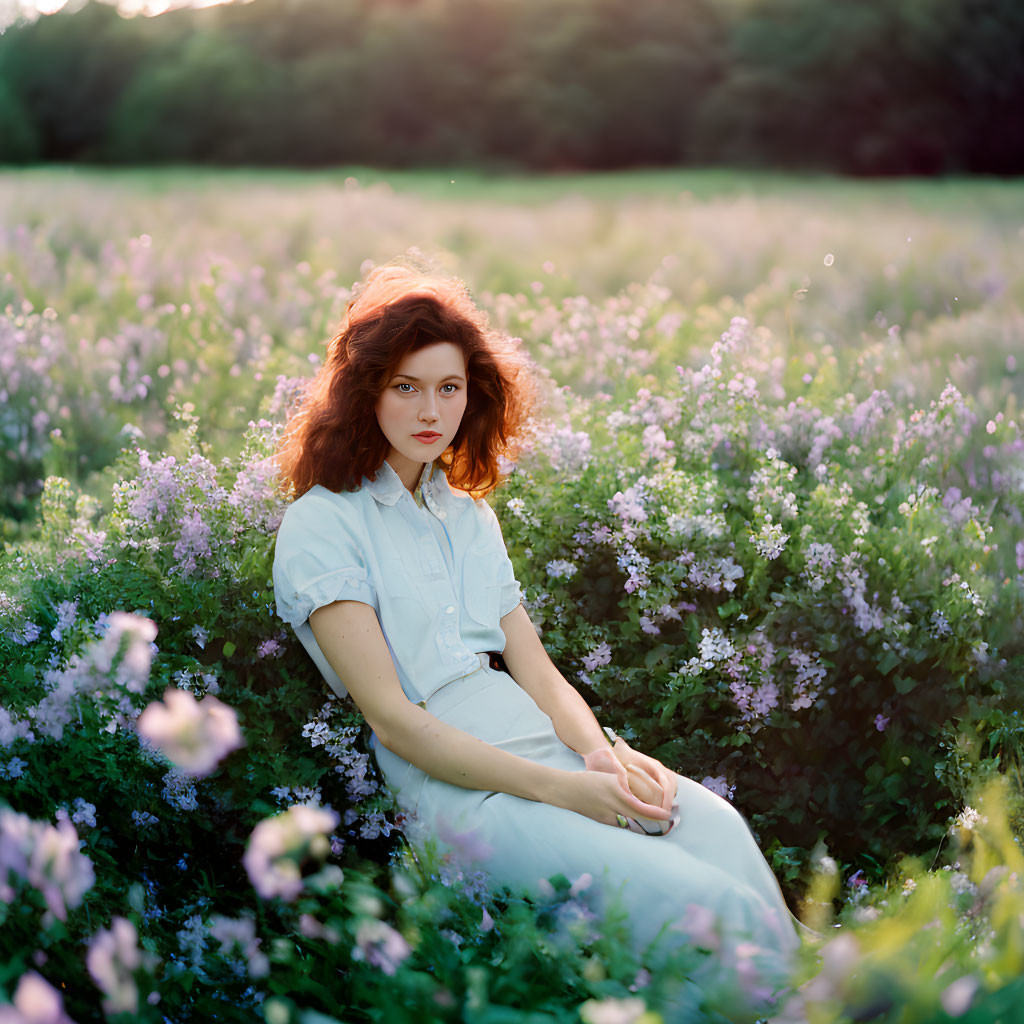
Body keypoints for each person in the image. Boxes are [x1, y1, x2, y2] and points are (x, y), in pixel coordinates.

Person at [272, 263, 802, 1014]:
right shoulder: (325, 522)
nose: (431, 410)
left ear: (472, 393)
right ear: (367, 392)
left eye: (448, 387)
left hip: (546, 750)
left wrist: (602, 756)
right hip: (463, 793)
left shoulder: (466, 514)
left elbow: (538, 672)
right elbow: (394, 721)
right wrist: (568, 792)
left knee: (719, 830)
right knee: (717, 914)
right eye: (406, 386)